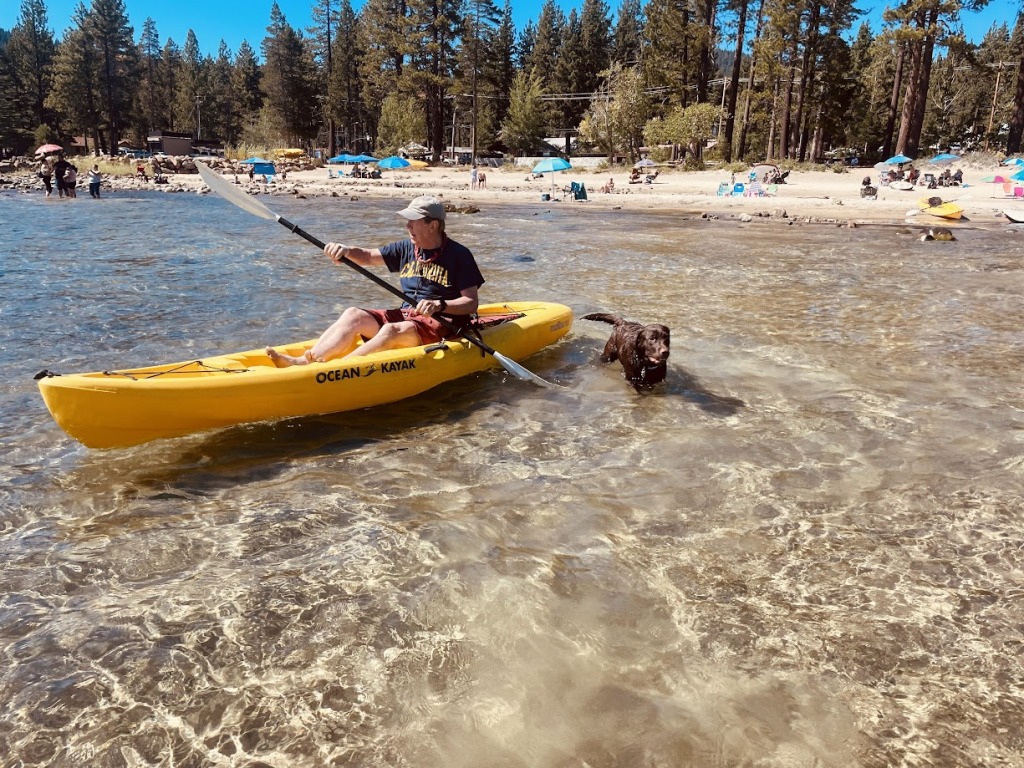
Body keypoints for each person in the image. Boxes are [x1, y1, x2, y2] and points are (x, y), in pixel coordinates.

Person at [266, 195, 484, 367]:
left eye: (413, 221)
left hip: (440, 323)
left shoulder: (459, 255)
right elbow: (369, 256)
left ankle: (337, 370)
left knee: (390, 331)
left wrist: (440, 305)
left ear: (433, 225)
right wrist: (346, 250)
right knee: (353, 314)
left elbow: (471, 303)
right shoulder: (406, 248)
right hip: (408, 317)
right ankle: (304, 361)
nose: (407, 225)